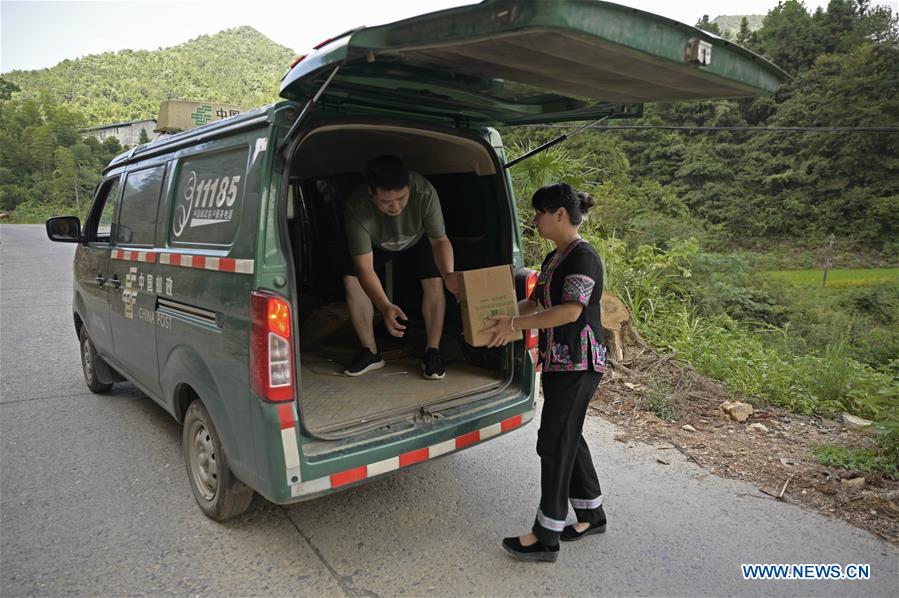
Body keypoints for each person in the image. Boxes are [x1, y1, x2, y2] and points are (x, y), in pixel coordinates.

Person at [484, 182, 607, 563]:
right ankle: (591, 513)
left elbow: (570, 311)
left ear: (558, 214)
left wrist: (517, 326)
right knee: (568, 435)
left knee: (553, 442)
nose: (535, 218)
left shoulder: (582, 257)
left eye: (539, 212)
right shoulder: (557, 257)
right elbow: (534, 302)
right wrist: (500, 316)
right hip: (559, 362)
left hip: (579, 363)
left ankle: (546, 534)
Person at [341, 155, 462, 379]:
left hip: (418, 239)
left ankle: (433, 352)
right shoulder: (356, 206)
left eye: (402, 198)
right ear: (371, 192)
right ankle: (370, 352)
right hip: (377, 244)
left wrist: (448, 274)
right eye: (387, 201)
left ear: (409, 187)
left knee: (435, 279)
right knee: (352, 280)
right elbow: (364, 267)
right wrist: (385, 305)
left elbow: (440, 241)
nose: (395, 206)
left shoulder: (424, 192)